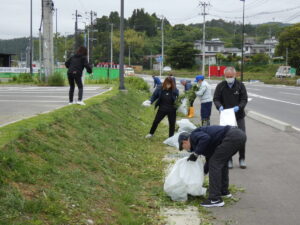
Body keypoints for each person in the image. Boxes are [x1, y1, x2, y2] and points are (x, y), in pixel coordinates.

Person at [178, 126, 246, 207]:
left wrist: (196, 154)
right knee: (221, 163)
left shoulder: (193, 135)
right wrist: (202, 173)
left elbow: (205, 138)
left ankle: (215, 199)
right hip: (239, 136)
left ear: (184, 142)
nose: (186, 150)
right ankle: (223, 191)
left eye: (183, 148)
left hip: (232, 136)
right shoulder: (201, 144)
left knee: (215, 163)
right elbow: (210, 159)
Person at [213, 66, 248, 169]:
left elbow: (244, 99)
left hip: (238, 116)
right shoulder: (221, 86)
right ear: (224, 76)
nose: (229, 78)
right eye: (227, 76)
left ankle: (242, 158)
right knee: (227, 138)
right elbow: (216, 99)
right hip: (226, 117)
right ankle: (229, 159)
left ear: (235, 75)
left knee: (242, 137)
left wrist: (239, 107)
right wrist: (219, 107)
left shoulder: (240, 86)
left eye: (230, 76)